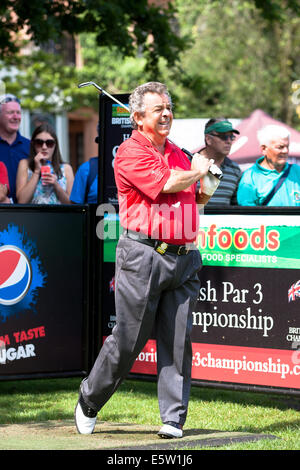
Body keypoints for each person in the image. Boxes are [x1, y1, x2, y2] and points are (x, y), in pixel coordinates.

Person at [74, 81, 220, 438]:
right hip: (143, 255)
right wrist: (198, 170)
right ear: (138, 118)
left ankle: (173, 418)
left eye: (169, 106)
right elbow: (164, 184)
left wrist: (207, 186)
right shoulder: (129, 152)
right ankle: (90, 398)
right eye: (159, 109)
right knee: (129, 340)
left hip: (184, 258)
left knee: (177, 341)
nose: (167, 113)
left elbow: (192, 200)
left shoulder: (179, 153)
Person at [237, 124, 300, 206]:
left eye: (287, 146)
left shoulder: (297, 171)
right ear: (264, 149)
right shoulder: (250, 178)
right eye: (280, 147)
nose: (285, 151)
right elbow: (247, 215)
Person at [16, 123, 74, 204]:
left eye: (49, 143)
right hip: (32, 215)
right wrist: (36, 172)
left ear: (55, 145)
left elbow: (71, 204)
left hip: (59, 216)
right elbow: (21, 201)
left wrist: (56, 185)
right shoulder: (25, 164)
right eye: (39, 142)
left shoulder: (66, 168)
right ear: (33, 144)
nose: (44, 147)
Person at [197, 117, 242, 205]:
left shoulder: (235, 169)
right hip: (192, 218)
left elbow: (235, 209)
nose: (229, 141)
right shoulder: (186, 163)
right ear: (208, 139)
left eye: (231, 137)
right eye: (223, 137)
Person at [0, 94, 30, 202]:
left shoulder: (31, 147)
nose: (16, 117)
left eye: (18, 113)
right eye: (10, 112)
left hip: (27, 212)